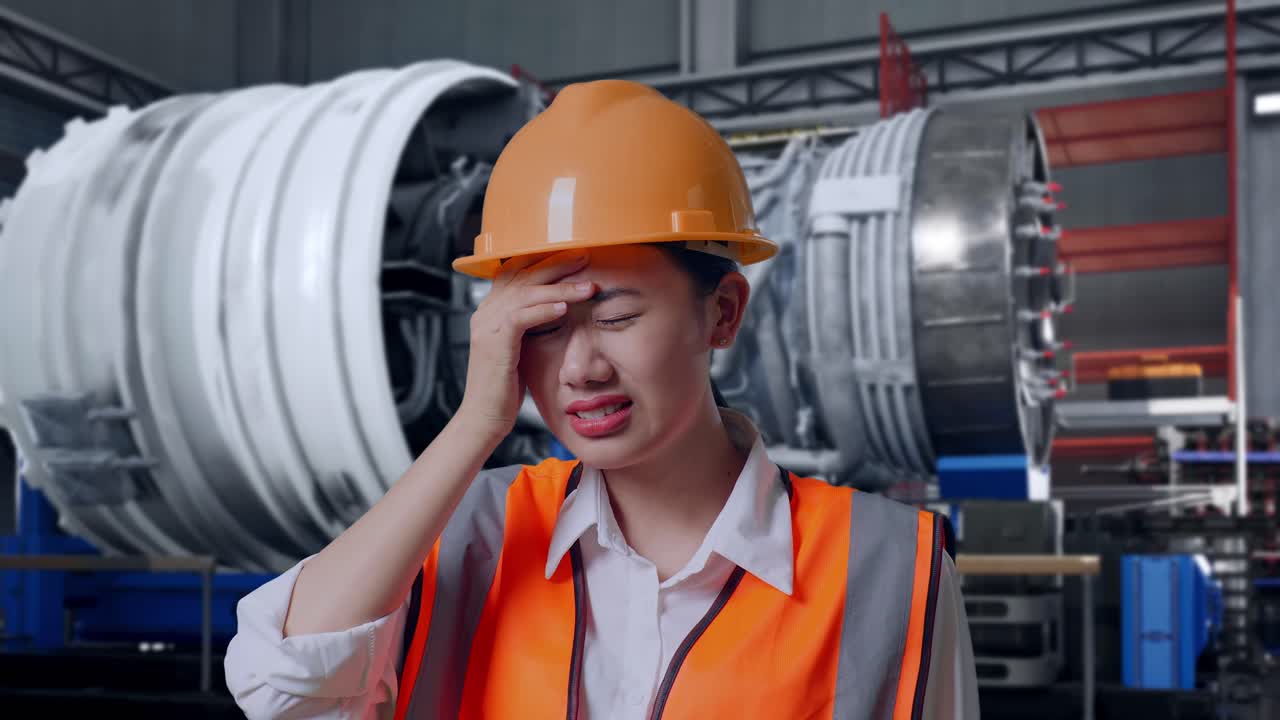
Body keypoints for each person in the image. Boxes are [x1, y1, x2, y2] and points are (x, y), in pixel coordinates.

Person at [224, 79, 979, 720]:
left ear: (722, 314)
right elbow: (277, 685)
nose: (580, 367)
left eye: (616, 317)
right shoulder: (471, 535)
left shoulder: (887, 570)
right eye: (544, 327)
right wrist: (471, 427)